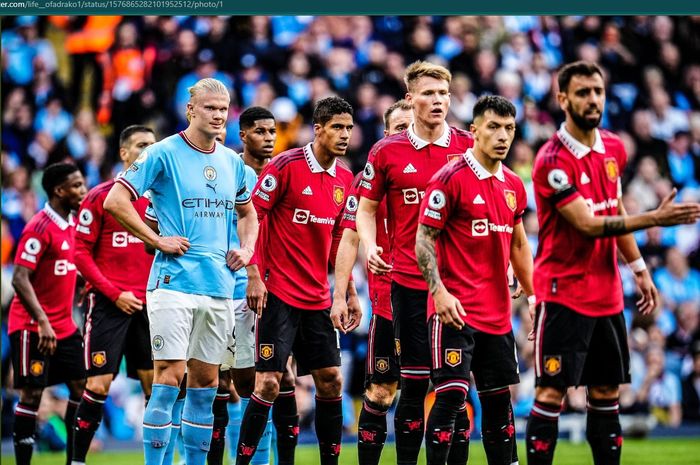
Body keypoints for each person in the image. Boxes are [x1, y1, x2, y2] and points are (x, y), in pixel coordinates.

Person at [526, 61, 700, 465]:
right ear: (563, 99)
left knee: (606, 393)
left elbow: (613, 207)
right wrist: (654, 219)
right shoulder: (551, 160)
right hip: (563, 292)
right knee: (552, 392)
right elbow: (588, 224)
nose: (593, 99)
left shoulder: (614, 148)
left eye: (598, 91)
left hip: (606, 293)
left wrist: (639, 268)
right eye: (583, 92)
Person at [103, 77, 258, 465]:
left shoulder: (232, 162)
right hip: (172, 283)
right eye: (210, 108)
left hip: (219, 286)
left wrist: (248, 248)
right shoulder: (162, 152)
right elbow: (114, 200)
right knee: (169, 376)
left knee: (205, 384)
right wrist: (157, 241)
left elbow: (249, 212)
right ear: (191, 110)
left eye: (223, 109)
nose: (219, 115)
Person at [356, 60, 474, 465]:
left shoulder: (467, 148)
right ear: (411, 99)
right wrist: (370, 246)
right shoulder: (386, 151)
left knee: (454, 386)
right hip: (406, 282)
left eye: (443, 93)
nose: (438, 101)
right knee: (414, 383)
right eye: (428, 93)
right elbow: (366, 210)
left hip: (457, 284)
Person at [236, 96, 355, 465]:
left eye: (349, 128)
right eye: (337, 127)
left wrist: (346, 292)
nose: (345, 134)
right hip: (279, 294)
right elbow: (251, 217)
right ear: (318, 129)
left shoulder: (346, 178)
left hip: (318, 298)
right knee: (270, 383)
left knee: (332, 380)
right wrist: (254, 275)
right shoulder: (285, 167)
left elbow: (340, 241)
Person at [415, 95, 533, 465]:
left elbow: (519, 243)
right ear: (474, 131)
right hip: (454, 312)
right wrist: (440, 293)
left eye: (509, 129)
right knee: (451, 396)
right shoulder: (449, 179)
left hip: (497, 315)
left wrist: (533, 296)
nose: (502, 136)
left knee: (499, 401)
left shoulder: (514, 185)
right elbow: (423, 240)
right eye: (494, 127)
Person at [330, 99, 413, 465]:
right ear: (385, 134)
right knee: (380, 392)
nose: (406, 135)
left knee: (443, 391)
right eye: (398, 128)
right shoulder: (368, 179)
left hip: (434, 301)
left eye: (411, 127)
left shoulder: (444, 170)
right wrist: (341, 293)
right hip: (386, 301)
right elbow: (348, 237)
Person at [70, 125, 157, 465]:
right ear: (124, 153)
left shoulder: (161, 199)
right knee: (98, 386)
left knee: (158, 390)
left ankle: (157, 460)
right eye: (140, 145)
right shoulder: (100, 196)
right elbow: (80, 253)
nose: (148, 150)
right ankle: (77, 461)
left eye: (152, 145)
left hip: (151, 307)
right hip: (108, 304)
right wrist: (114, 292)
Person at [9, 162, 87, 465]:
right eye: (77, 186)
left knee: (82, 388)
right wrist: (42, 321)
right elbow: (19, 278)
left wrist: (83, 282)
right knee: (32, 396)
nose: (83, 190)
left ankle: (74, 460)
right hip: (32, 327)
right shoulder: (38, 227)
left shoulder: (72, 224)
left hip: (65, 327)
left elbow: (62, 266)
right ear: (59, 191)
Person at [217, 107, 277, 465]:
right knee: (219, 384)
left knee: (263, 382)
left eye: (273, 132)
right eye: (261, 131)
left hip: (269, 291)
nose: (269, 137)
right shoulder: (226, 170)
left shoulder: (280, 172)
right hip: (225, 286)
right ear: (243, 135)